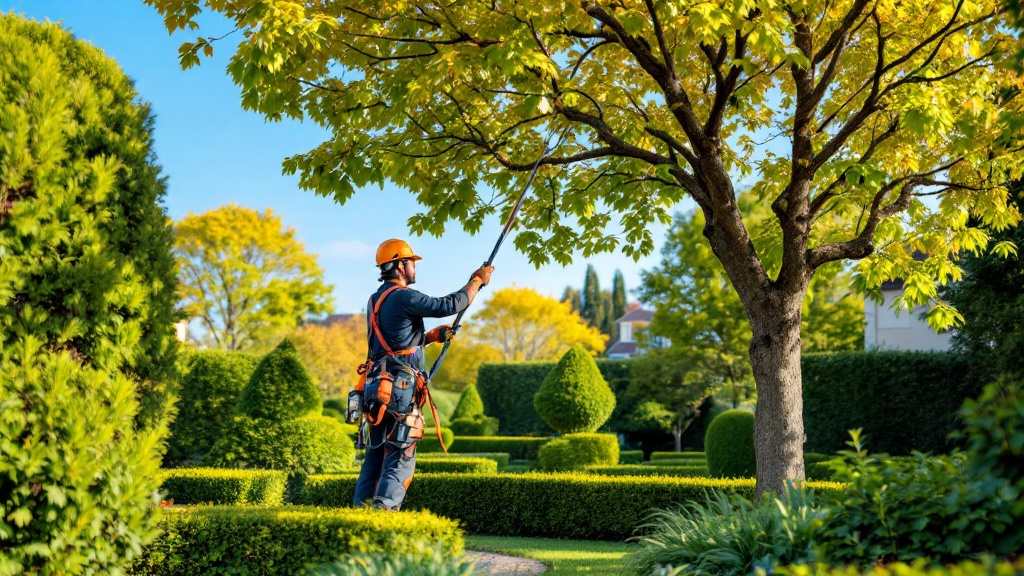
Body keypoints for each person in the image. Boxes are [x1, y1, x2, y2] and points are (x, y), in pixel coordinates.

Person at [353, 238, 493, 510]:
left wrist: (428, 337)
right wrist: (476, 281)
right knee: (401, 455)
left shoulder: (375, 300)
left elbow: (391, 344)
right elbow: (448, 305)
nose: (414, 268)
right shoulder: (404, 296)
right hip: (398, 388)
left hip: (376, 386)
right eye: (411, 263)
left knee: (376, 454)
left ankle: (361, 512)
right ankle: (383, 513)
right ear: (400, 265)